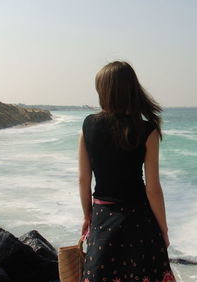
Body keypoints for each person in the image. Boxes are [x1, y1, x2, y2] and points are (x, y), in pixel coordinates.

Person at [78, 61, 176, 282]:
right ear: (132, 89)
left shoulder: (88, 126)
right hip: (140, 221)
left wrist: (87, 216)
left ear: (102, 91)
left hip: (103, 219)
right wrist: (163, 228)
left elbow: (84, 180)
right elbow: (153, 189)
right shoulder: (147, 130)